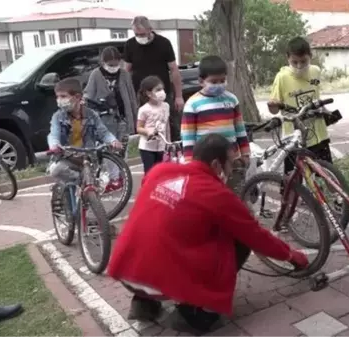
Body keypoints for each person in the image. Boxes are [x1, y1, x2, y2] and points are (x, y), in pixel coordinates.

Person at [106, 133, 309, 334]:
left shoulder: (160, 170)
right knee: (239, 241)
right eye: (230, 163)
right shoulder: (217, 195)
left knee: (161, 234)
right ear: (216, 165)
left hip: (125, 270)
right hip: (161, 280)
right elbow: (256, 236)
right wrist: (292, 256)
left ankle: (143, 304)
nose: (232, 169)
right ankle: (195, 314)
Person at [267, 36, 349, 218]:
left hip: (317, 132)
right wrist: (273, 104)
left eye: (303, 61)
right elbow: (274, 108)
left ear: (311, 57)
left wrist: (326, 111)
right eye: (295, 62)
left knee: (327, 170)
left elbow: (316, 96)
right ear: (288, 59)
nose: (299, 66)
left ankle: (338, 200)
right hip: (293, 136)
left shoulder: (315, 72)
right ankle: (288, 209)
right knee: (291, 175)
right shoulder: (282, 77)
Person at [181, 55, 250, 194]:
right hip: (205, 163)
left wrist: (245, 153)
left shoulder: (232, 99)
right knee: (209, 197)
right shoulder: (192, 104)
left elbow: (240, 129)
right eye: (213, 81)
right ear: (201, 81)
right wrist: (190, 162)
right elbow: (188, 136)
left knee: (236, 196)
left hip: (232, 160)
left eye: (222, 80)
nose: (219, 85)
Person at [47, 78, 123, 186]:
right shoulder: (58, 116)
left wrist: (113, 141)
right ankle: (79, 181)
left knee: (91, 192)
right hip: (68, 157)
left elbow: (103, 132)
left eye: (63, 96)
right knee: (55, 170)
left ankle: (87, 189)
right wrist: (54, 145)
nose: (59, 100)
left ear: (77, 97)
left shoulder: (91, 114)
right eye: (57, 97)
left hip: (87, 157)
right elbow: (54, 133)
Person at [84, 46, 139, 190]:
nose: (114, 67)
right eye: (111, 65)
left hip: (123, 117)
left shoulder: (124, 74)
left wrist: (134, 117)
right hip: (105, 119)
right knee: (109, 148)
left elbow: (131, 96)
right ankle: (114, 177)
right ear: (103, 62)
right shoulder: (96, 75)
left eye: (116, 64)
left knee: (122, 147)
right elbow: (88, 96)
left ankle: (121, 175)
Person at [124, 16, 184, 142]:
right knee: (146, 127)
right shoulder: (130, 45)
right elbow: (126, 71)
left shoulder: (164, 43)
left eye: (142, 34)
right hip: (142, 95)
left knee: (172, 126)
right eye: (136, 34)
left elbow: (174, 69)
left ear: (150, 29)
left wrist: (178, 96)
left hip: (163, 92)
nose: (140, 37)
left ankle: (174, 149)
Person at [136, 75, 170, 174]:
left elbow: (166, 126)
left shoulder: (166, 106)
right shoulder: (144, 110)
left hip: (161, 146)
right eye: (158, 90)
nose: (161, 92)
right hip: (147, 147)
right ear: (149, 93)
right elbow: (138, 128)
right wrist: (147, 132)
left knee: (161, 172)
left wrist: (168, 142)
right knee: (150, 173)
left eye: (162, 89)